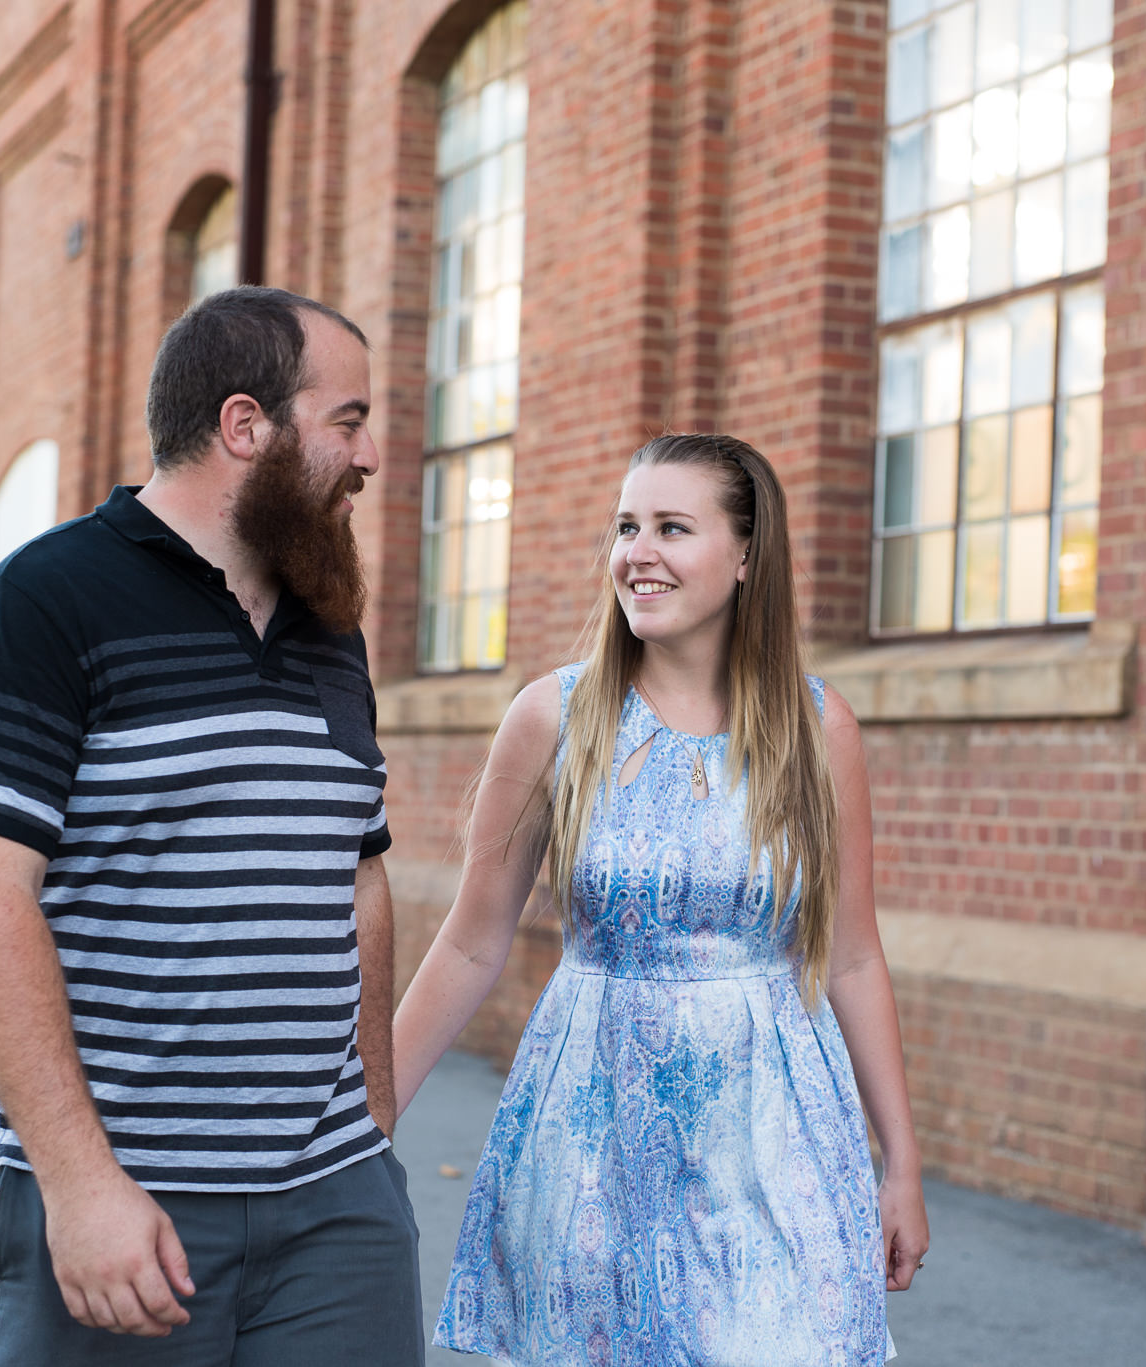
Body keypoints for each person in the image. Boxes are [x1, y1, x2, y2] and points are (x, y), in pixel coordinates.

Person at [0, 286, 424, 1364]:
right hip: (125, 1200)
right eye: (347, 420)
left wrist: (371, 1129)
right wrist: (79, 1179)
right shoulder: (41, 601)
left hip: (333, 1207)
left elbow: (358, 874)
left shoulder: (330, 628)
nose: (371, 454)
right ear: (247, 426)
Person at [392, 433, 931, 1365]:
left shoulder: (816, 726)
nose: (637, 552)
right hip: (596, 1133)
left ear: (747, 554)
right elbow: (472, 945)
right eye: (626, 526)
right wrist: (366, 1118)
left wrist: (903, 1161)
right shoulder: (555, 717)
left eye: (673, 527)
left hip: (774, 1132)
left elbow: (850, 955)